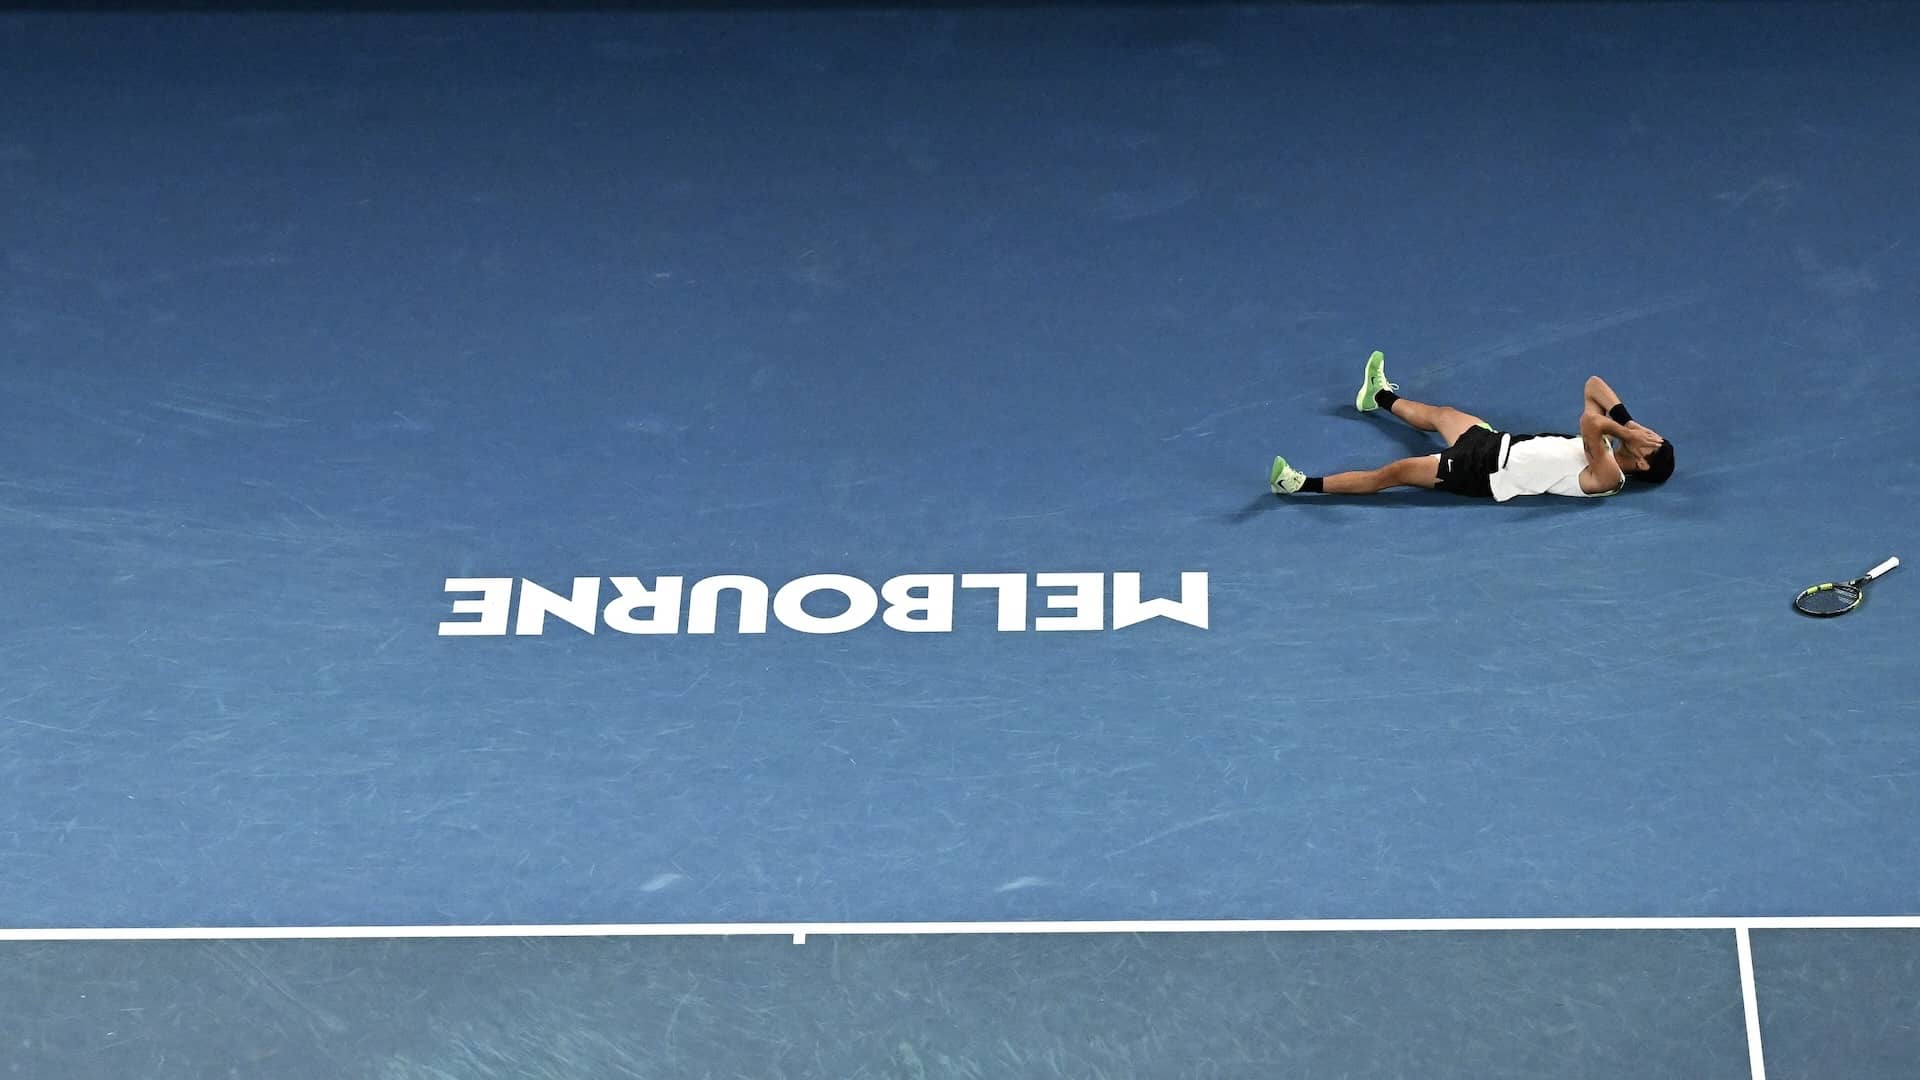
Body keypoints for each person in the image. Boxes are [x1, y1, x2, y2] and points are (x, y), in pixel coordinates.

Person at [1268, 353, 1674, 500]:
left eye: (1648, 444)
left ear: (1640, 464)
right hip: (1496, 442)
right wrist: (1628, 421)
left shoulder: (1610, 476)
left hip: (1483, 473)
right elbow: (1593, 385)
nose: (1645, 437)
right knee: (1442, 413)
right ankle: (1377, 397)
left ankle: (1298, 484)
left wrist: (1622, 432)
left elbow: (1588, 421)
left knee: (1392, 474)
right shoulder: (1617, 438)